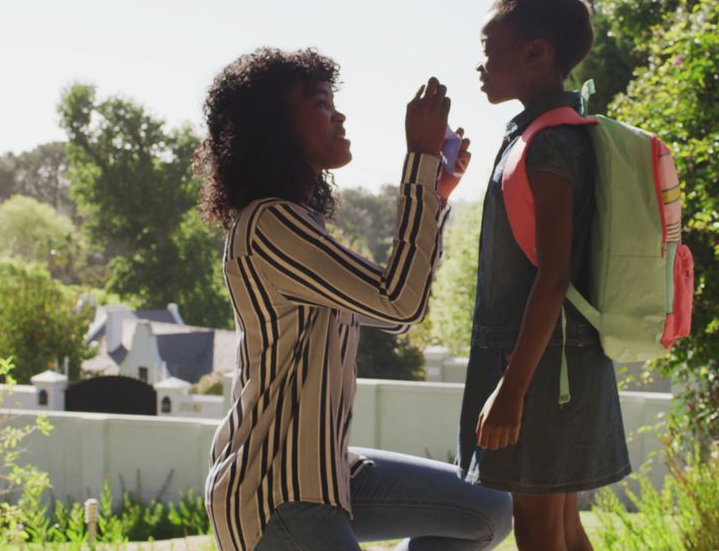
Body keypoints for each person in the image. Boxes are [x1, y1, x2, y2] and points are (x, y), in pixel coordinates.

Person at [194, 47, 512, 551]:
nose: (338, 114)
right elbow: (399, 302)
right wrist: (421, 161)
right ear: (274, 127)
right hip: (274, 491)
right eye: (320, 103)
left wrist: (437, 194)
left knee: (487, 508)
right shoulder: (268, 225)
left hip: (328, 475)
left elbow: (397, 314)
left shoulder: (296, 224)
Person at [457, 0, 632, 550]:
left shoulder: (550, 142)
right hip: (559, 363)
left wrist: (511, 389)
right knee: (563, 523)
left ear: (534, 52)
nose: (481, 64)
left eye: (490, 48)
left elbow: (553, 275)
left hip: (538, 369)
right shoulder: (546, 133)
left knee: (537, 527)